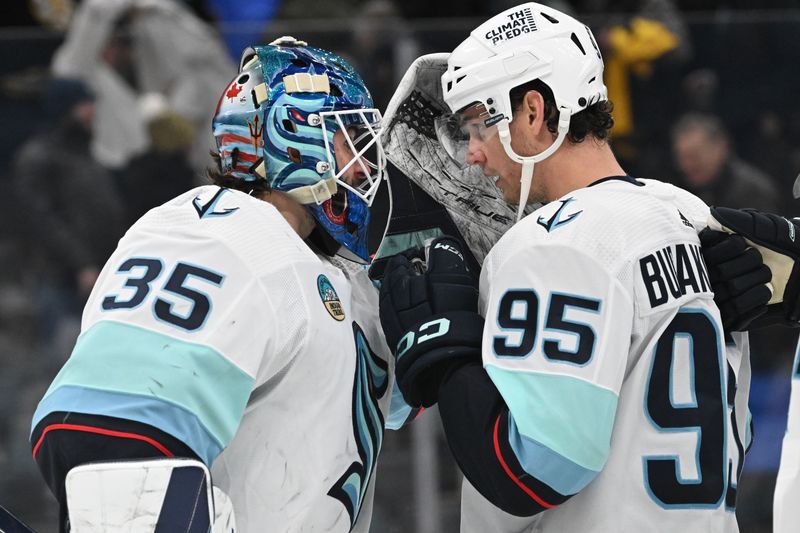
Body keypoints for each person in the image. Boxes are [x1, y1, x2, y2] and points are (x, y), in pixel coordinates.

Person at [377, 3, 751, 531]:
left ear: (533, 111)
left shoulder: (554, 244)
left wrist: (444, 355)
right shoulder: (686, 213)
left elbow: (533, 470)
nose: (471, 154)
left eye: (478, 126)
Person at [30, 37, 394, 533]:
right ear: (294, 138)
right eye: (346, 137)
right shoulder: (222, 232)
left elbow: (376, 405)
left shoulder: (319, 266)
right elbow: (105, 430)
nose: (364, 163)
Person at [671, 112, 780, 212]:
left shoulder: (753, 191)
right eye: (682, 157)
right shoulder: (675, 189)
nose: (687, 165)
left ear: (720, 148)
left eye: (695, 156)